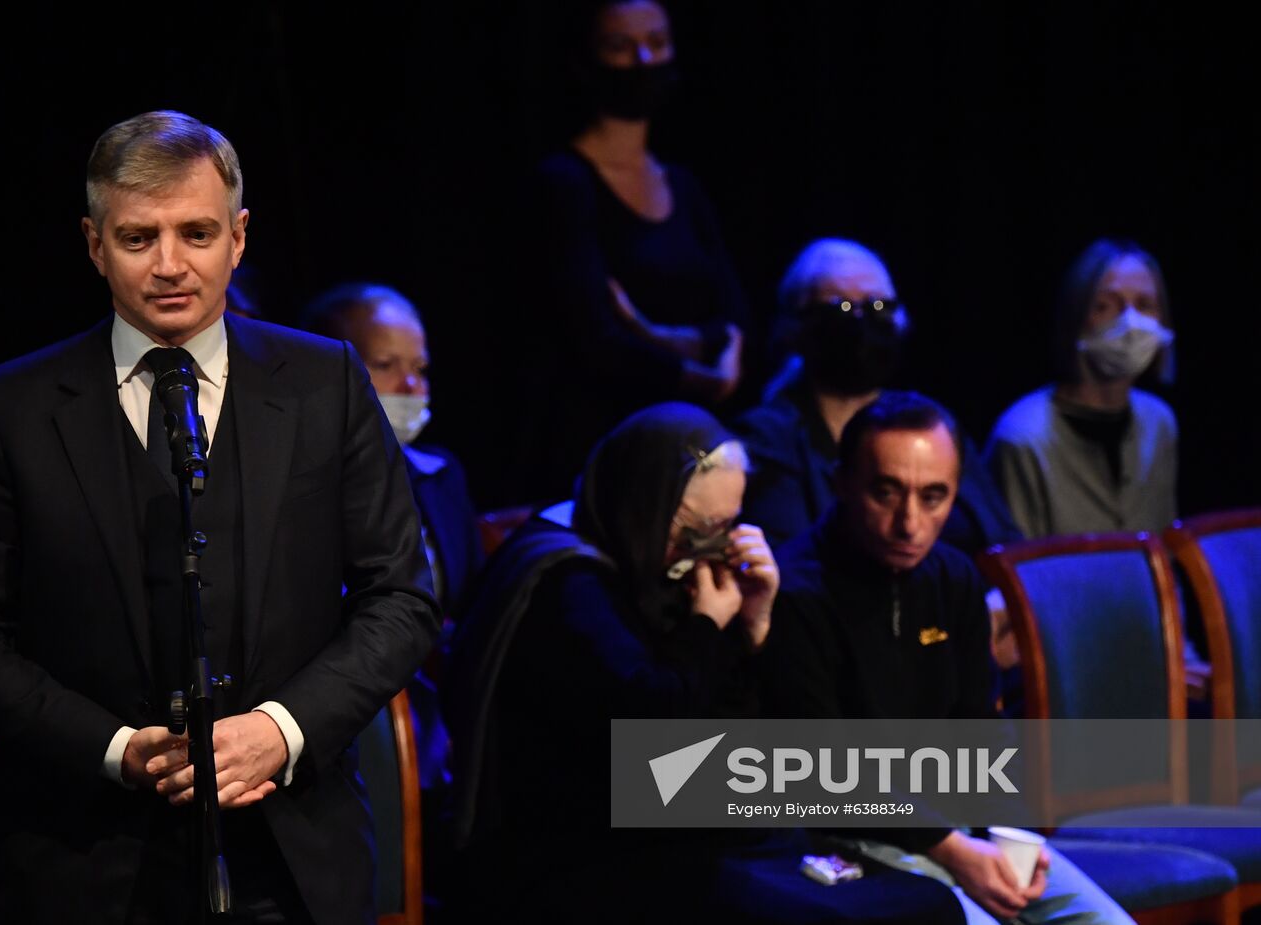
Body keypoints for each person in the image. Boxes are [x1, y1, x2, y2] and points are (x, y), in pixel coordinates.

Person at [0, 111, 440, 924]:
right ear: (94, 245)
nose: (170, 265)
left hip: (293, 859)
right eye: (138, 238)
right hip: (77, 863)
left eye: (196, 233)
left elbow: (403, 597)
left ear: (238, 236)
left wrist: (282, 727)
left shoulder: (324, 383)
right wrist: (116, 749)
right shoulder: (8, 408)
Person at [445, 402, 964, 924]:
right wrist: (708, 627)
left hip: (687, 828)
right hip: (579, 854)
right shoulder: (570, 586)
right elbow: (651, 732)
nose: (711, 549)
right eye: (697, 531)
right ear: (645, 508)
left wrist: (756, 627)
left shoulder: (660, 574)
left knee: (920, 903)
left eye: (727, 527)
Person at [759, 391, 1133, 925]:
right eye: (886, 493)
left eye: (934, 497)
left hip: (959, 833)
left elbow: (981, 726)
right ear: (841, 482)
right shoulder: (796, 593)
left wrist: (1014, 838)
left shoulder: (953, 578)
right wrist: (952, 849)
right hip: (857, 839)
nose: (909, 523)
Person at [522, 0, 750, 500]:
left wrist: (654, 333)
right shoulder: (565, 185)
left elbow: (732, 315)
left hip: (693, 444)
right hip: (606, 445)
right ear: (586, 60)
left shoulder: (683, 185)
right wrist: (700, 370)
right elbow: (596, 338)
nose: (645, 61)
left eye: (657, 43)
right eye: (621, 47)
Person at [734, 238, 1021, 555]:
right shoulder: (767, 437)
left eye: (878, 307)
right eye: (840, 307)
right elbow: (790, 561)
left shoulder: (930, 426)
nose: (861, 322)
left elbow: (1005, 542)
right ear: (796, 325)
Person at [301, 283, 484, 617]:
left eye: (420, 369)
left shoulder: (440, 475)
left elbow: (473, 604)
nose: (411, 387)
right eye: (385, 365)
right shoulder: (292, 483)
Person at [985, 239, 1177, 538]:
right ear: (1076, 315)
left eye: (1145, 305)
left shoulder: (1159, 423)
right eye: (1105, 306)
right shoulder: (1023, 437)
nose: (1130, 322)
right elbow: (1017, 569)